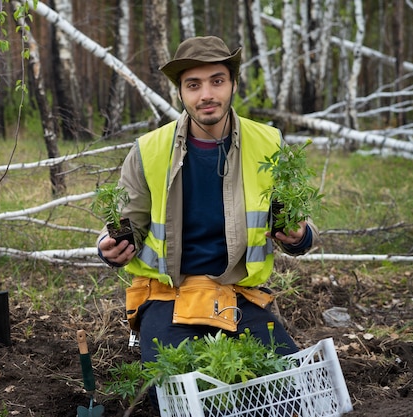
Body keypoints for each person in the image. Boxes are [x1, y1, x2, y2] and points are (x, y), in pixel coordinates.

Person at [96, 36, 318, 410]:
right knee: (173, 393)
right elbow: (125, 222)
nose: (206, 95)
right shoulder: (148, 149)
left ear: (233, 83)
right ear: (181, 93)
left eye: (217, 81)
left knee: (291, 392)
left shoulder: (269, 143)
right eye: (193, 85)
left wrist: (298, 235)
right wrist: (111, 247)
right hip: (167, 297)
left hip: (237, 297)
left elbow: (300, 225)